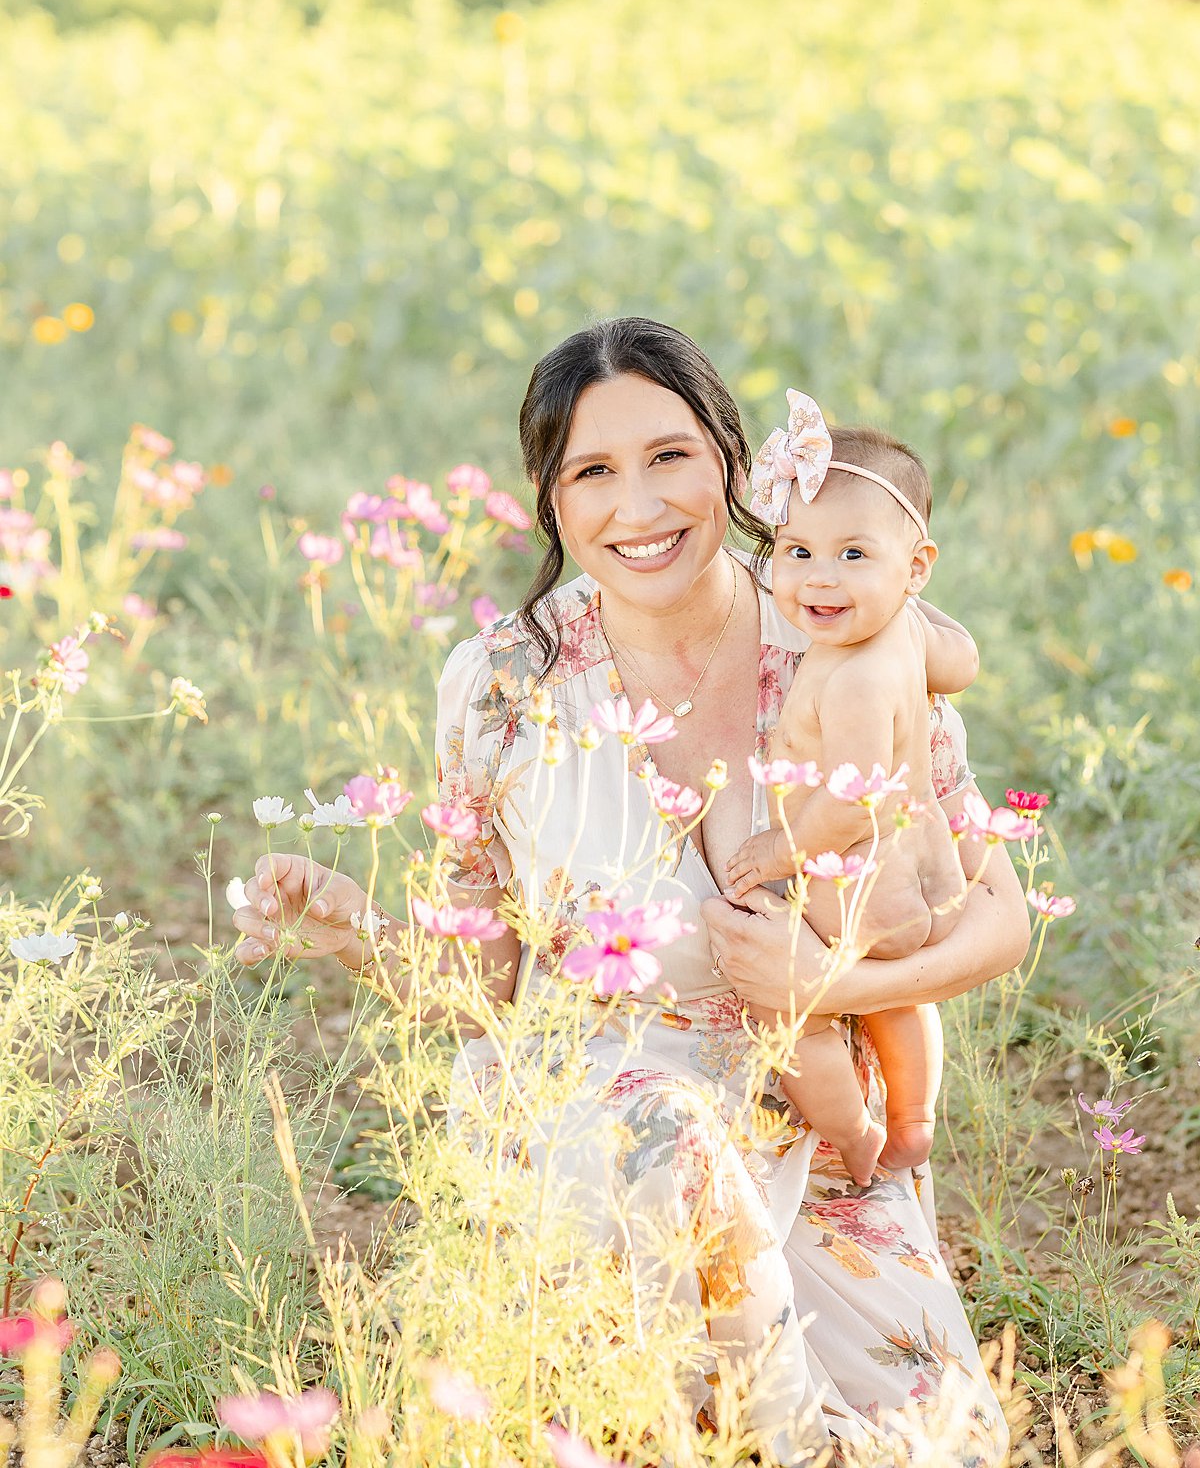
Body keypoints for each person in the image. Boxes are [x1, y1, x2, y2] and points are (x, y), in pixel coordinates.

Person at [233, 317, 1028, 1465]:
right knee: (668, 1134)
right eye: (593, 472)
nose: (639, 506)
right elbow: (483, 987)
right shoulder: (500, 685)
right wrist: (353, 930)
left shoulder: (839, 621)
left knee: (949, 1444)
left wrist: (834, 978)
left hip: (813, 1128)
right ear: (551, 503)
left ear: (731, 462)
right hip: (595, 1127)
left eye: (669, 457)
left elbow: (1000, 914)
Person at [724, 389, 973, 1186]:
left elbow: (855, 793)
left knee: (791, 1007)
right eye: (796, 552)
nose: (819, 580)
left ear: (915, 563)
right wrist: (898, 594)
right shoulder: (905, 629)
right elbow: (960, 665)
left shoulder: (856, 677)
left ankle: (853, 1132)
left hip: (855, 880)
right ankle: (916, 1116)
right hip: (919, 868)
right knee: (897, 1002)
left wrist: (772, 849)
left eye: (853, 555)